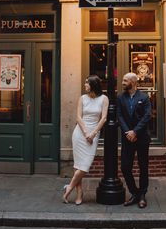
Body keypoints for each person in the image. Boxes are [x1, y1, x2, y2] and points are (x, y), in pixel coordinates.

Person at [63, 75, 109, 205]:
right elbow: (78, 117)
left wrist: (93, 134)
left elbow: (103, 118)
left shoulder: (104, 99)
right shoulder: (82, 98)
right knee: (78, 165)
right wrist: (85, 133)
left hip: (93, 133)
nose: (85, 85)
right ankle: (79, 193)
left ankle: (69, 187)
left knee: (85, 165)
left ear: (93, 85)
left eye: (87, 83)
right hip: (79, 133)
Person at [117, 72, 151, 209]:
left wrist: (135, 131)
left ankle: (142, 195)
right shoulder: (120, 97)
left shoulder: (144, 97)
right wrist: (128, 132)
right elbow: (119, 116)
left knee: (143, 167)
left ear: (133, 82)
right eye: (123, 80)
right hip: (127, 138)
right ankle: (135, 193)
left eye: (125, 81)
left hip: (142, 137)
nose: (123, 83)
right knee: (125, 167)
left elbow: (147, 116)